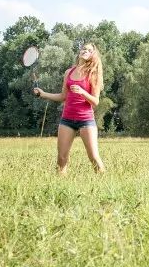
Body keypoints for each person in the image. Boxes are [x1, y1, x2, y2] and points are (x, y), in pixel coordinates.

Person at [34, 41, 106, 173]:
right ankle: (60, 186)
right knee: (61, 158)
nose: (85, 51)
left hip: (86, 120)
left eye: (90, 51)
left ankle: (106, 185)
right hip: (67, 119)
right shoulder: (69, 72)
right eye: (84, 49)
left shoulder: (93, 74)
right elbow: (63, 96)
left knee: (93, 157)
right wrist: (43, 94)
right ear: (79, 52)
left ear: (92, 56)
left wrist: (82, 92)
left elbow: (95, 101)